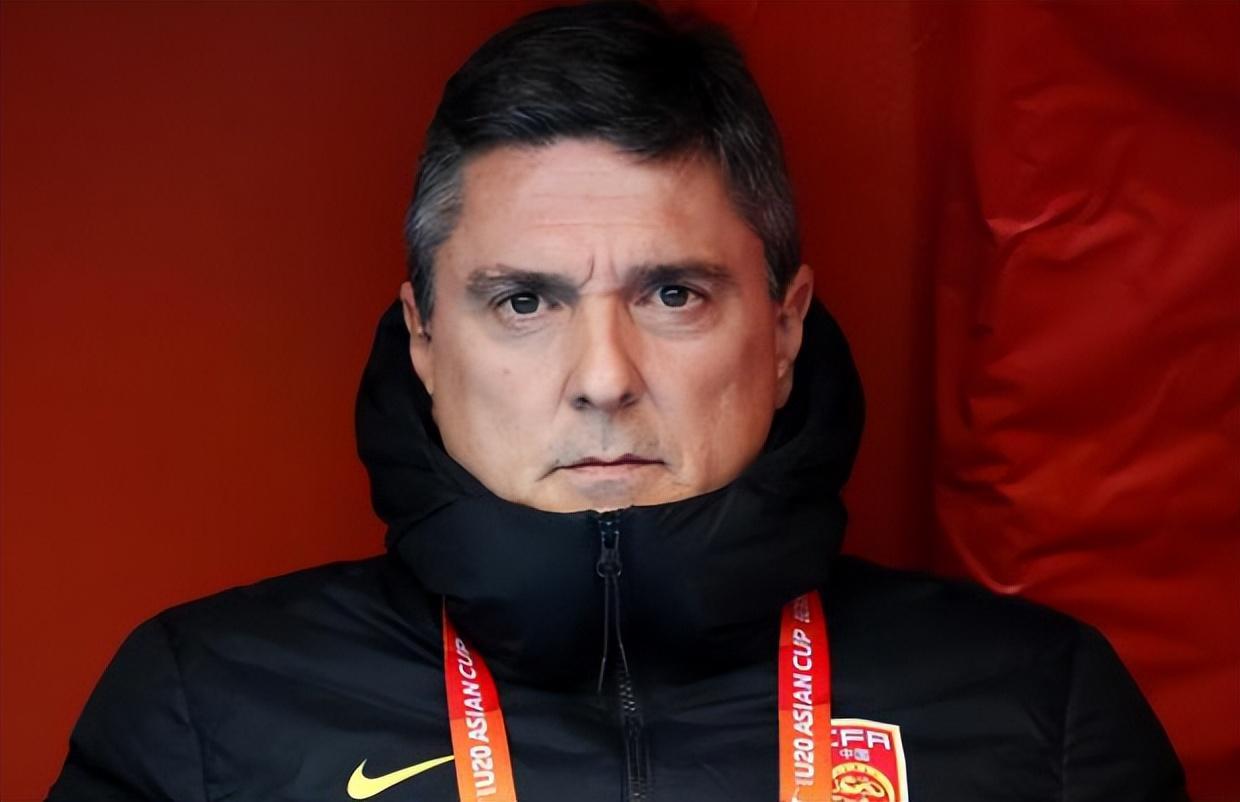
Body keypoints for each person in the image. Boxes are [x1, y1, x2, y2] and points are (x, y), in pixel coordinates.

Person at [49, 3, 1187, 801]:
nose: (603, 375)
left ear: (784, 330)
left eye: (673, 293)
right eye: (524, 302)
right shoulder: (205, 712)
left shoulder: (1041, 712)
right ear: (426, 343)